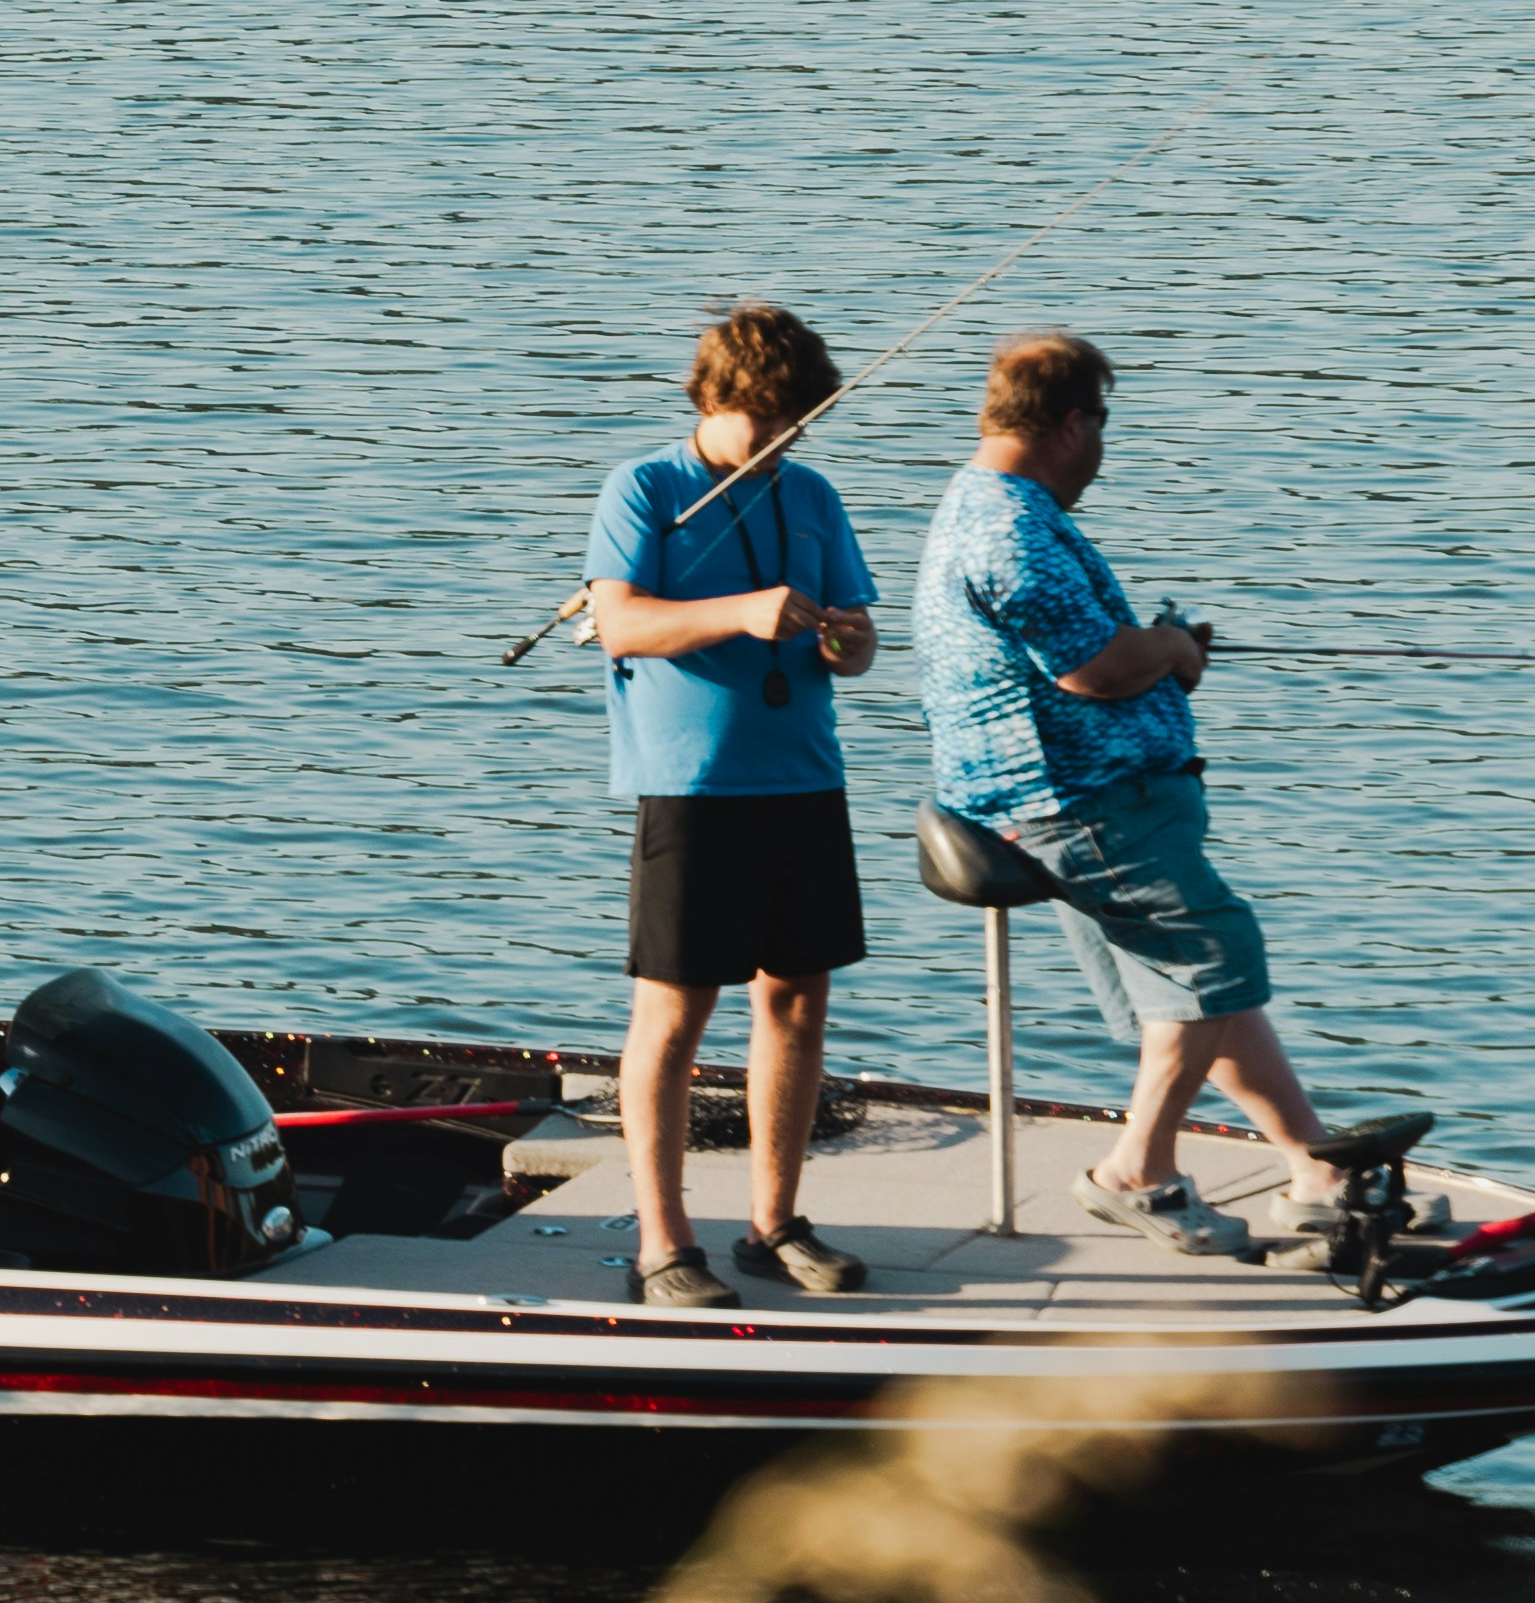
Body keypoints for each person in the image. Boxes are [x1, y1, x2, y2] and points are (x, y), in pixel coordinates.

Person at [915, 328, 1363, 1262]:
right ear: (1075, 424)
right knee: (1213, 956)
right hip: (1074, 801)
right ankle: (1136, 1174)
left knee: (1202, 984)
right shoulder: (1011, 529)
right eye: (1104, 429)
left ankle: (1316, 1170)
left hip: (1074, 795)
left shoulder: (984, 501)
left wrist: (1160, 651)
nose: (1103, 453)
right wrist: (1165, 649)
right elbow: (1100, 672)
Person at [579, 304, 880, 1307]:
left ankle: (774, 1223)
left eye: (798, 421)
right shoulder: (645, 487)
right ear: (710, 399)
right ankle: (663, 1246)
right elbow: (619, 623)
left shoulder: (814, 495)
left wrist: (841, 640)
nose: (783, 439)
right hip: (692, 787)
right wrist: (742, 614)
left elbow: (862, 640)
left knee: (794, 999)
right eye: (766, 420)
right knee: (673, 1015)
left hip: (803, 776)